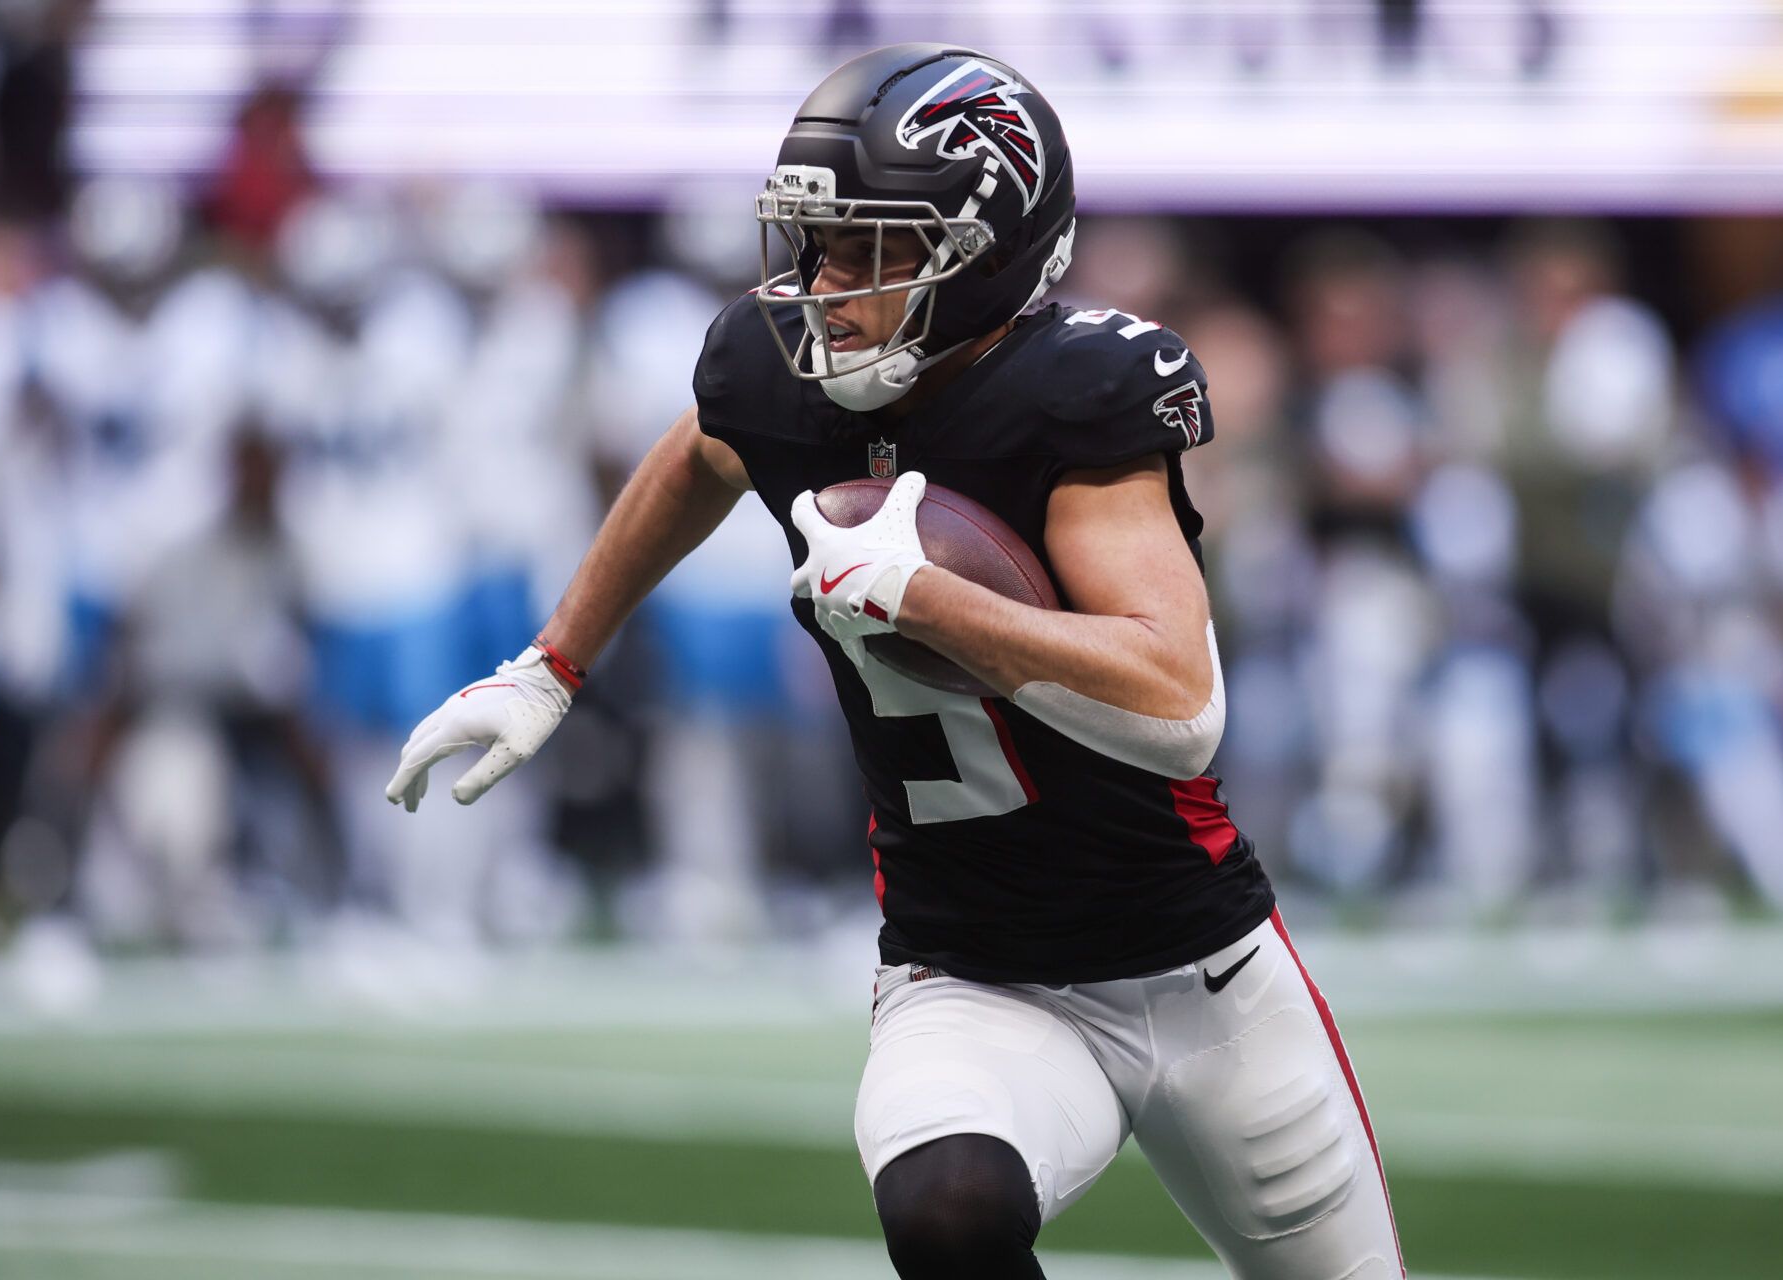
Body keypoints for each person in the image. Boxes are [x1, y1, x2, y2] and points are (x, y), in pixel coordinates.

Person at [386, 43, 1404, 1279]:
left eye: (877, 249)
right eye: (822, 245)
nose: (831, 285)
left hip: (1203, 973)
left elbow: (1179, 703)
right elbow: (700, 451)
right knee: (946, 1210)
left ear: (990, 251)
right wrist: (553, 663)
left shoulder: (1072, 394)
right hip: (969, 970)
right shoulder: (781, 372)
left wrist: (930, 602)